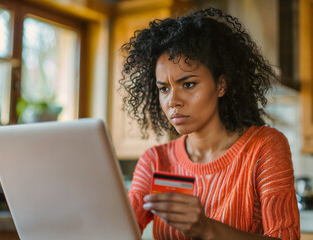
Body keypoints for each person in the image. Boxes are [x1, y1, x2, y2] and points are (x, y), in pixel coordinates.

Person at [119, 7, 300, 240]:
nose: (172, 101)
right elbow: (120, 228)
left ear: (221, 85)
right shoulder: (156, 162)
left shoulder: (263, 148)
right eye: (164, 88)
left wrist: (207, 229)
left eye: (188, 84)